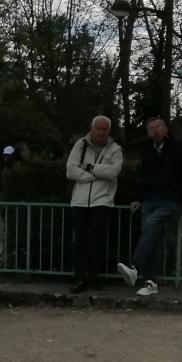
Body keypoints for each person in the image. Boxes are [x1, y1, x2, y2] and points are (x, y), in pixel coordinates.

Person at [117, 118, 182, 297]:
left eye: (157, 127)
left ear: (165, 129)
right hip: (150, 199)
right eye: (150, 128)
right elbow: (142, 176)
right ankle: (150, 282)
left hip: (172, 199)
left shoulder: (180, 147)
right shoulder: (147, 151)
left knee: (152, 225)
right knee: (150, 236)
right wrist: (138, 198)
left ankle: (134, 267)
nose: (154, 131)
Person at [66, 115, 124, 294]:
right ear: (92, 129)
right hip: (79, 201)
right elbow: (70, 170)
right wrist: (95, 176)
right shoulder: (80, 145)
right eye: (97, 128)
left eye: (104, 129)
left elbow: (113, 172)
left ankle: (94, 277)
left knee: (95, 241)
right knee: (79, 242)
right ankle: (79, 278)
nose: (100, 132)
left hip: (102, 200)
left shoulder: (115, 149)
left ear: (109, 131)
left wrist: (89, 167)